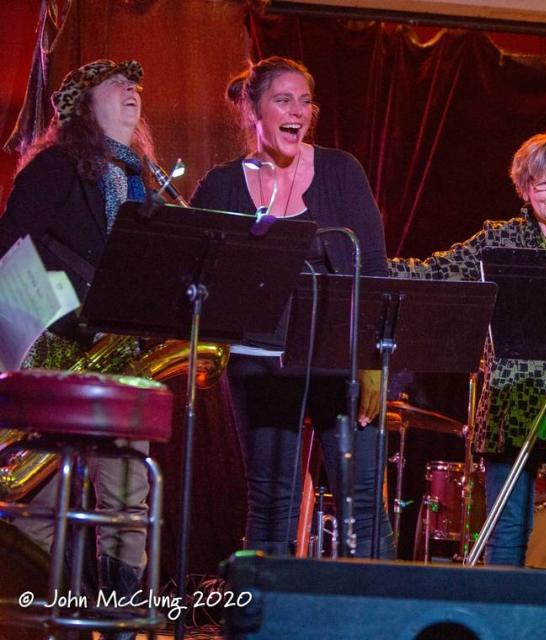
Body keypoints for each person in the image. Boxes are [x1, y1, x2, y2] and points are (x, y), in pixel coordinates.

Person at [390, 133, 546, 572]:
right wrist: (374, 270)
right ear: (524, 189)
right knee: (507, 533)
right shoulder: (501, 240)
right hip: (514, 401)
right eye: (543, 184)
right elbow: (440, 268)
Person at [190, 56, 393, 558]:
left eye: (305, 101)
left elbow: (375, 269)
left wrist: (372, 362)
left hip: (340, 358)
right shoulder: (220, 186)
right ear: (252, 111)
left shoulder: (342, 172)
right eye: (283, 99)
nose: (297, 111)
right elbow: (196, 275)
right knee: (271, 501)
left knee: (362, 502)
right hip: (260, 361)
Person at [0, 58, 158, 640]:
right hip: (56, 352)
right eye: (119, 85)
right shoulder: (54, 166)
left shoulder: (145, 177)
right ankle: (34, 622)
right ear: (84, 106)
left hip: (124, 360)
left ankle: (118, 625)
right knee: (40, 505)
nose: (132, 92)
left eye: (136, 86)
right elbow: (8, 246)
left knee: (126, 506)